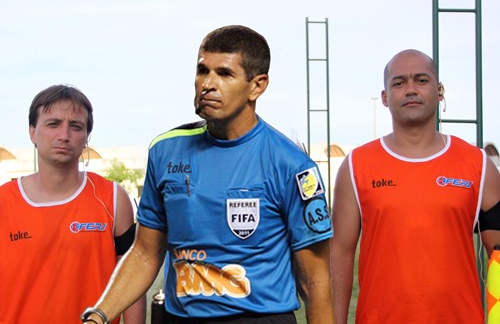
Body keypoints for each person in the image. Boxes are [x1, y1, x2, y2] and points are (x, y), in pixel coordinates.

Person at [81, 25, 335, 324]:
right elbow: (145, 253)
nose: (207, 84)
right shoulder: (165, 151)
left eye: (224, 74)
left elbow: (315, 282)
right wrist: (99, 315)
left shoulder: (292, 165)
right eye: (202, 71)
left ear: (257, 85)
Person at [330, 49, 500, 323]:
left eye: (421, 80)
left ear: (439, 91)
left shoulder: (479, 165)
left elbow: (499, 256)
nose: (410, 89)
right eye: (399, 83)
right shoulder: (356, 165)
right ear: (385, 97)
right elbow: (339, 255)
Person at [0, 85, 146, 323]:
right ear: (32, 132)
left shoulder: (113, 198)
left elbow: (133, 281)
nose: (64, 135)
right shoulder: (3, 202)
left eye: (75, 126)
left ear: (87, 137)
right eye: (53, 123)